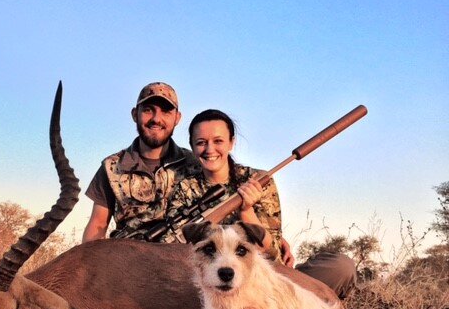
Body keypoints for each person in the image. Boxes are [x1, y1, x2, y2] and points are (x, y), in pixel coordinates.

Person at [170, 108, 357, 298]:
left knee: (341, 267)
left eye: (218, 141)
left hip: (267, 278)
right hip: (211, 285)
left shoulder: (258, 180)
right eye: (201, 143)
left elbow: (273, 254)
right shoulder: (183, 188)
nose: (210, 150)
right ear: (192, 147)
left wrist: (246, 210)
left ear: (231, 142)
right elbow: (179, 252)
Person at [82, 82, 200, 242]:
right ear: (134, 114)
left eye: (166, 111)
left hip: (181, 259)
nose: (156, 119)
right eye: (148, 110)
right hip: (127, 259)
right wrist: (90, 264)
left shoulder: (195, 163)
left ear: (177, 118)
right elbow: (98, 223)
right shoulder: (111, 166)